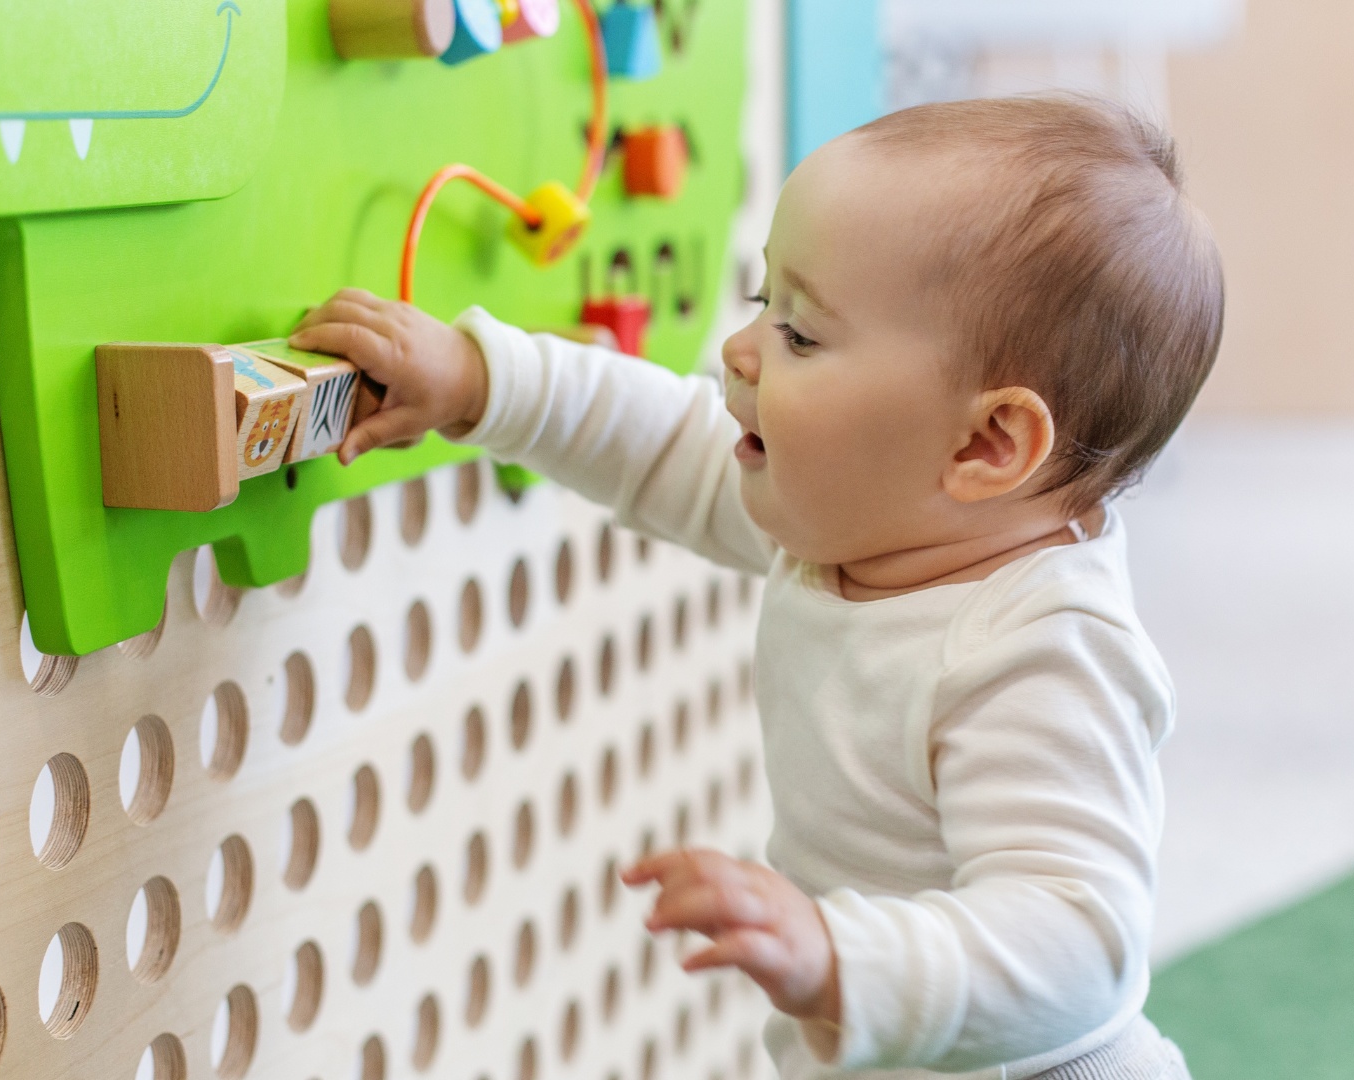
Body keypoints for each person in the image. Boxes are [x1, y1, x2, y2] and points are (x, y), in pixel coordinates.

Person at [289, 93, 1223, 1080]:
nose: (741, 353)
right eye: (760, 305)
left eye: (803, 336)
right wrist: (484, 384)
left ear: (987, 444)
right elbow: (658, 439)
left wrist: (837, 957)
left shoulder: (1040, 649)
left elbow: (1080, 944)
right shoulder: (862, 517)